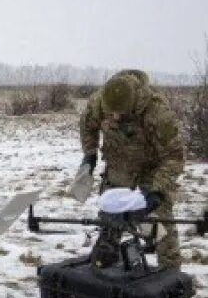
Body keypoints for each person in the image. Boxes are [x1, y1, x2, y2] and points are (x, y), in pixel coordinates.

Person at [79, 69, 185, 270]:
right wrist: (90, 153)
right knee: (111, 223)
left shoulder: (157, 113)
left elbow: (173, 158)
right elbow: (87, 124)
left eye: (120, 114)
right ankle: (103, 269)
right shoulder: (101, 101)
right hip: (117, 171)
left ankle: (172, 280)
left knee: (159, 228)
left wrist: (157, 191)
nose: (115, 117)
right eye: (111, 114)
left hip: (150, 175)